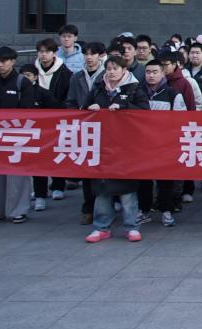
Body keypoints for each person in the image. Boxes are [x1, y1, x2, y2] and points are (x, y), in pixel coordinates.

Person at [84, 55, 149, 243]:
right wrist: (91, 108)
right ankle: (101, 227)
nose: (111, 72)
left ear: (124, 70)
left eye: (115, 68)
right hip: (102, 144)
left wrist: (124, 106)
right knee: (102, 189)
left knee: (127, 190)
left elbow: (145, 113)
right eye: (109, 69)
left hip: (127, 145)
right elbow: (82, 110)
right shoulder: (98, 88)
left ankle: (132, 226)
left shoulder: (134, 88)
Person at [0, 47, 37, 225]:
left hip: (16, 135)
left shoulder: (22, 83)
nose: (0, 65)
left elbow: (27, 110)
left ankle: (18, 210)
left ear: (13, 61)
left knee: (17, 176)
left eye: (4, 61)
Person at [140, 60, 186, 227]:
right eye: (148, 72)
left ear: (162, 73)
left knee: (165, 180)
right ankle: (143, 210)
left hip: (165, 144)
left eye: (155, 72)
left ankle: (167, 211)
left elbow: (181, 120)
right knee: (143, 180)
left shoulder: (173, 94)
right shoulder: (138, 92)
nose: (151, 75)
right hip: (142, 144)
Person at [65, 41, 106, 225]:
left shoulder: (108, 75)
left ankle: (105, 207)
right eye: (86, 54)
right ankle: (88, 208)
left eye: (93, 54)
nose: (89, 57)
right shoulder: (77, 77)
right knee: (87, 169)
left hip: (105, 128)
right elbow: (70, 101)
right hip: (85, 128)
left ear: (101, 55)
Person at [31, 38, 73, 210]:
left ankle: (58, 185)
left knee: (57, 153)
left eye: (47, 51)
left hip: (57, 118)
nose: (43, 55)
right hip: (35, 121)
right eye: (40, 51)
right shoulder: (32, 70)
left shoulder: (65, 72)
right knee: (37, 156)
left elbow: (68, 96)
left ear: (54, 53)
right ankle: (39, 192)